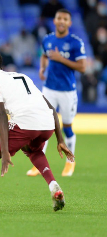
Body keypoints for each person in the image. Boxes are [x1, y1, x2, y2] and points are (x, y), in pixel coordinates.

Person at [0, 50, 74, 216]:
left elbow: (1, 116)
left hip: (26, 122)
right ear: (0, 66)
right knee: (34, 150)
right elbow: (52, 109)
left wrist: (4, 150)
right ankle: (53, 185)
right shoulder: (21, 76)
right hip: (47, 124)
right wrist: (60, 139)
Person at [26, 9, 86, 177]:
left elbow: (83, 67)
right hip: (49, 89)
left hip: (67, 91)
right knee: (43, 125)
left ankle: (70, 162)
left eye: (65, 19)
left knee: (67, 127)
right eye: (59, 18)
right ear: (54, 20)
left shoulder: (75, 43)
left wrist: (62, 59)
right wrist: (42, 67)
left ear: (69, 23)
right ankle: (39, 164)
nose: (62, 21)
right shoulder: (48, 39)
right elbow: (45, 55)